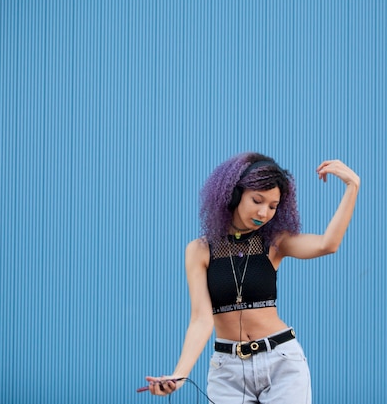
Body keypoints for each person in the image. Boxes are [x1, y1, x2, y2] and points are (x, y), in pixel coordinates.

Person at [145, 152, 360, 403]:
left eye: (272, 206)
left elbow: (327, 244)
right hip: (227, 371)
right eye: (257, 200)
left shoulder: (275, 243)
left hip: (281, 364)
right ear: (234, 194)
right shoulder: (199, 250)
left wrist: (352, 186)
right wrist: (179, 375)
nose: (264, 212)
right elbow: (201, 319)